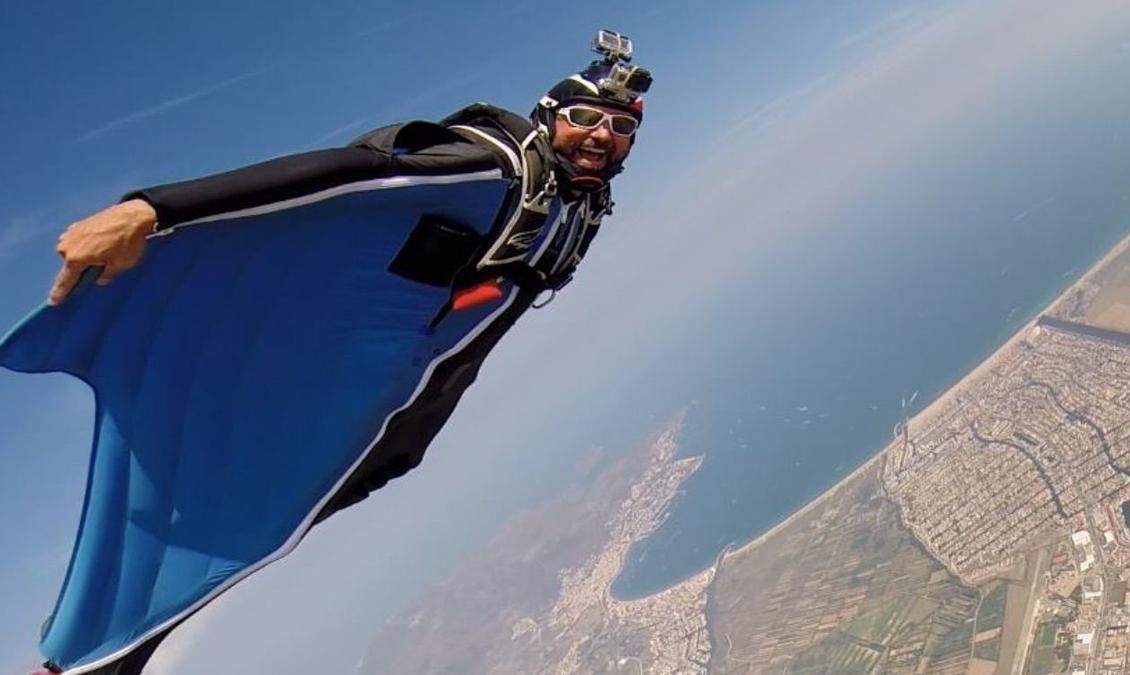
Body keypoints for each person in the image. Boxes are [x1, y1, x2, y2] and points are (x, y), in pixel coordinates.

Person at [9, 32, 651, 675]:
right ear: (548, 118)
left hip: (415, 399)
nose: (601, 135)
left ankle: (110, 656)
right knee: (248, 519)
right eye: (585, 118)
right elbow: (345, 178)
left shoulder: (579, 202)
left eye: (619, 126)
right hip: (352, 385)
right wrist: (152, 209)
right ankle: (94, 660)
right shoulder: (496, 171)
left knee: (295, 514)